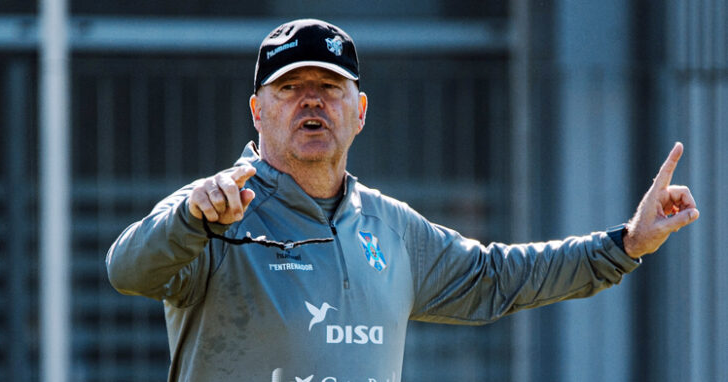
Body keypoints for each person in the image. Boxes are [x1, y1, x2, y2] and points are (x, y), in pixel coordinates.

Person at [106, 18, 699, 382]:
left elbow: (496, 278)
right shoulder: (215, 207)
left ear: (359, 113)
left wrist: (625, 244)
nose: (311, 102)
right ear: (258, 111)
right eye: (289, 89)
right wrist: (189, 219)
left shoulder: (389, 227)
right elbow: (127, 270)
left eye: (330, 88)